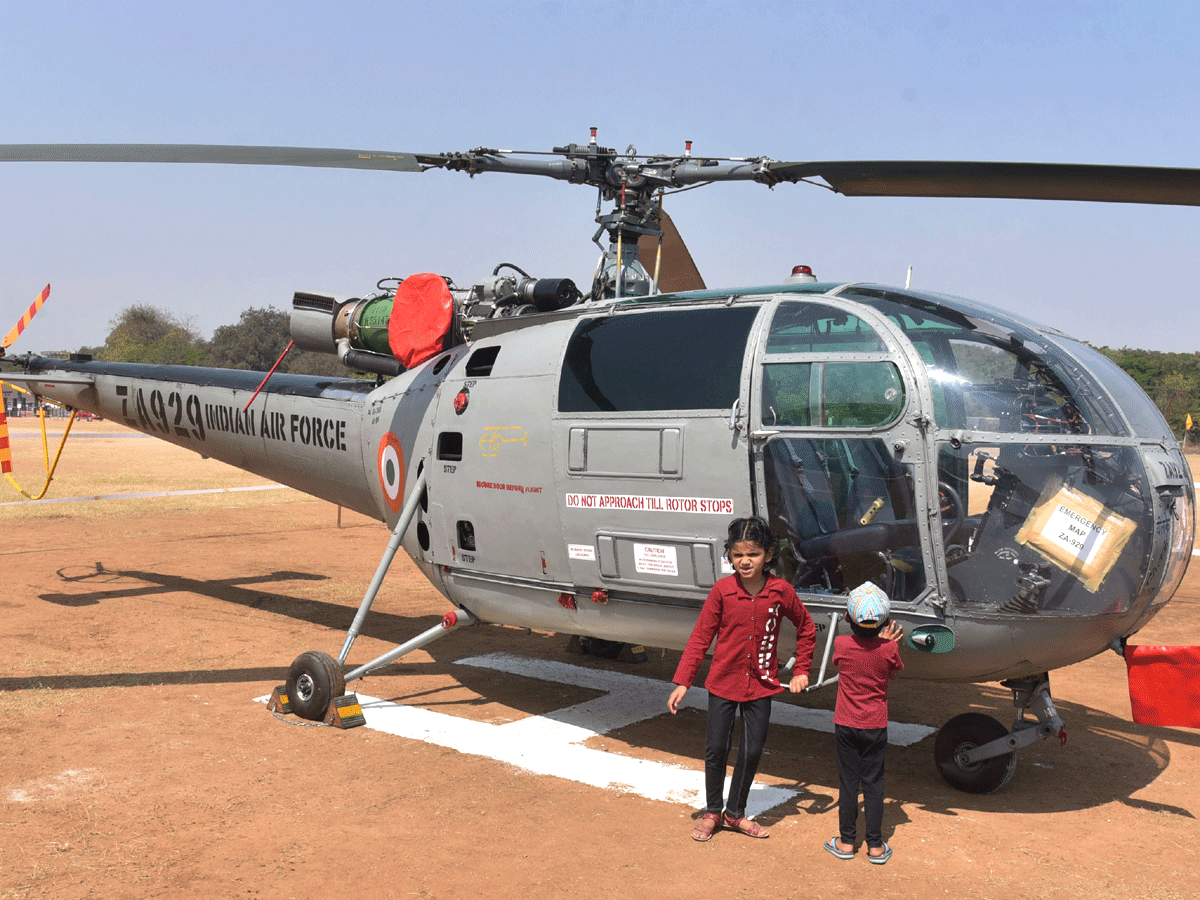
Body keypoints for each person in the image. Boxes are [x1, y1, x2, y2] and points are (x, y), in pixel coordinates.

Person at [668, 516, 816, 842]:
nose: (745, 561)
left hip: (761, 685)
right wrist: (683, 681)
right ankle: (712, 812)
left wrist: (803, 669)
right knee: (716, 749)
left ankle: (735, 813)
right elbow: (700, 638)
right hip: (723, 682)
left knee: (750, 752)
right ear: (730, 556)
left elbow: (806, 628)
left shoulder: (781, 591)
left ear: (768, 554)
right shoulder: (722, 592)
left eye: (753, 554)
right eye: (738, 555)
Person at [823, 580, 904, 865]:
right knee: (873, 783)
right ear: (885, 621)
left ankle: (846, 843)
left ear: (847, 618)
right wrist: (888, 645)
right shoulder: (889, 650)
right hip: (875, 725)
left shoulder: (841, 643)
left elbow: (841, 661)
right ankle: (875, 847)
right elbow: (891, 675)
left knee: (848, 782)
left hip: (846, 724)